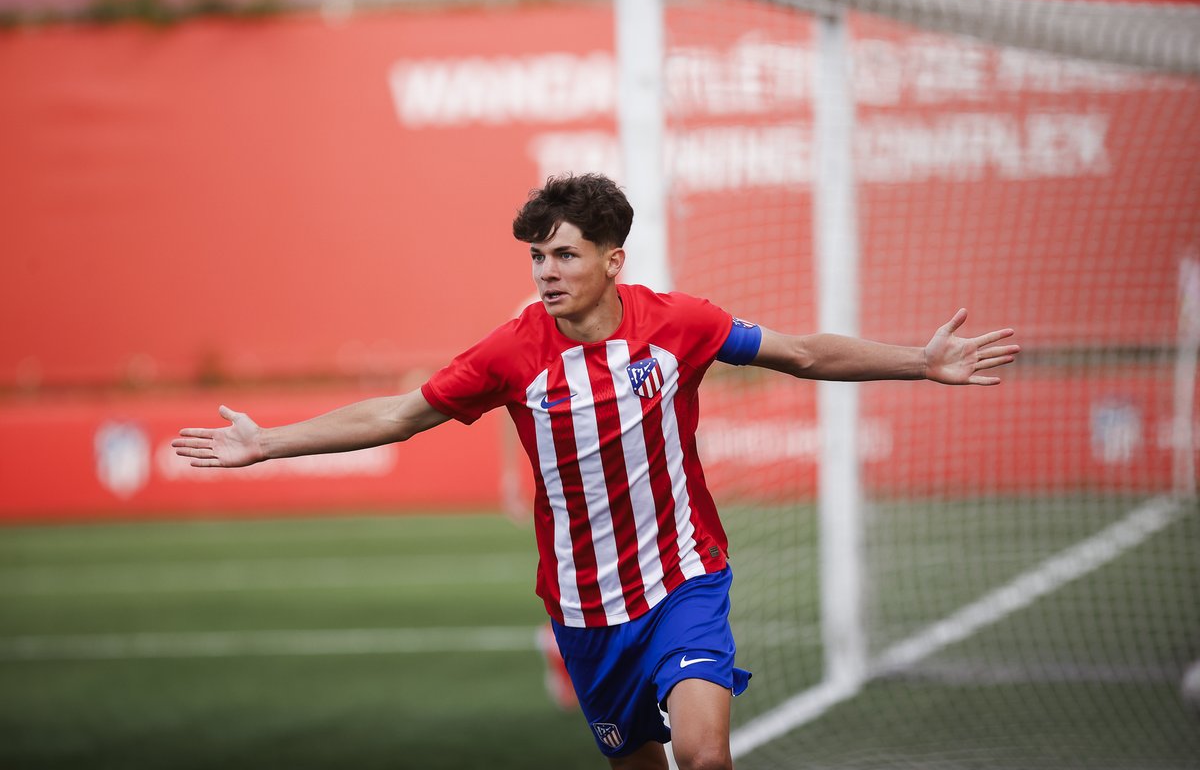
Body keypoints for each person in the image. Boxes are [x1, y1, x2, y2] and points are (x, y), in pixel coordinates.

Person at [174, 173, 1019, 770]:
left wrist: (920, 361)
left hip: (686, 577)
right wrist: (266, 443)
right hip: (582, 606)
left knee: (706, 752)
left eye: (565, 256)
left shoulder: (678, 323)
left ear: (612, 260)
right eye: (538, 259)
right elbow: (400, 414)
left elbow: (800, 352)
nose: (547, 273)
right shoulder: (511, 353)